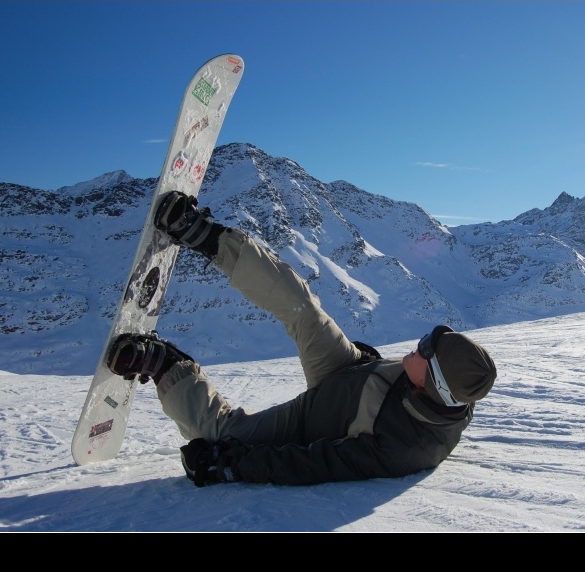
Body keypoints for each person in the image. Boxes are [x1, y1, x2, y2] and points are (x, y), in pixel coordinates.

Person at [107, 190, 497, 487]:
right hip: (349, 370)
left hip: (311, 421)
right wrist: (369, 366)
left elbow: (316, 464)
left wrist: (230, 465)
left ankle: (167, 367)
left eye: (426, 349)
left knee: (225, 435)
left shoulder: (405, 449)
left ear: (432, 382)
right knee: (302, 306)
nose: (420, 343)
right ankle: (206, 236)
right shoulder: (456, 389)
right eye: (431, 338)